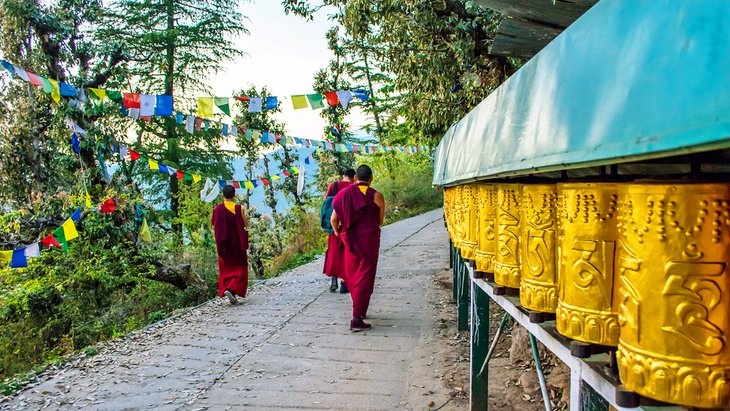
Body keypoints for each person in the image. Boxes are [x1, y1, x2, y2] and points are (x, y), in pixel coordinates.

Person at [331, 165, 385, 332]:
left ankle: (360, 311)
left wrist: (339, 234)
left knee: (354, 274)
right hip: (368, 240)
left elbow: (334, 219)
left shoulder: (342, 195)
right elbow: (380, 220)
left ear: (355, 179)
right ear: (371, 179)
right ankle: (356, 319)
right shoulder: (376, 196)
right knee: (365, 276)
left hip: (350, 241)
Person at [211, 185, 249, 304]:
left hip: (224, 244)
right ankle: (231, 290)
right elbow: (246, 225)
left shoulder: (217, 210)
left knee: (227, 269)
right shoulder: (239, 208)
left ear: (223, 195)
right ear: (234, 195)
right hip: (237, 244)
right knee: (241, 268)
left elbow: (214, 224)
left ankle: (229, 289)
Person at [323, 168, 356, 293]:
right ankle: (344, 282)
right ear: (354, 177)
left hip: (334, 224)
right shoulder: (353, 188)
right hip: (348, 224)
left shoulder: (334, 185)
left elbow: (327, 203)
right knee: (346, 253)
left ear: (343, 175)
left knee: (333, 252)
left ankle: (333, 281)